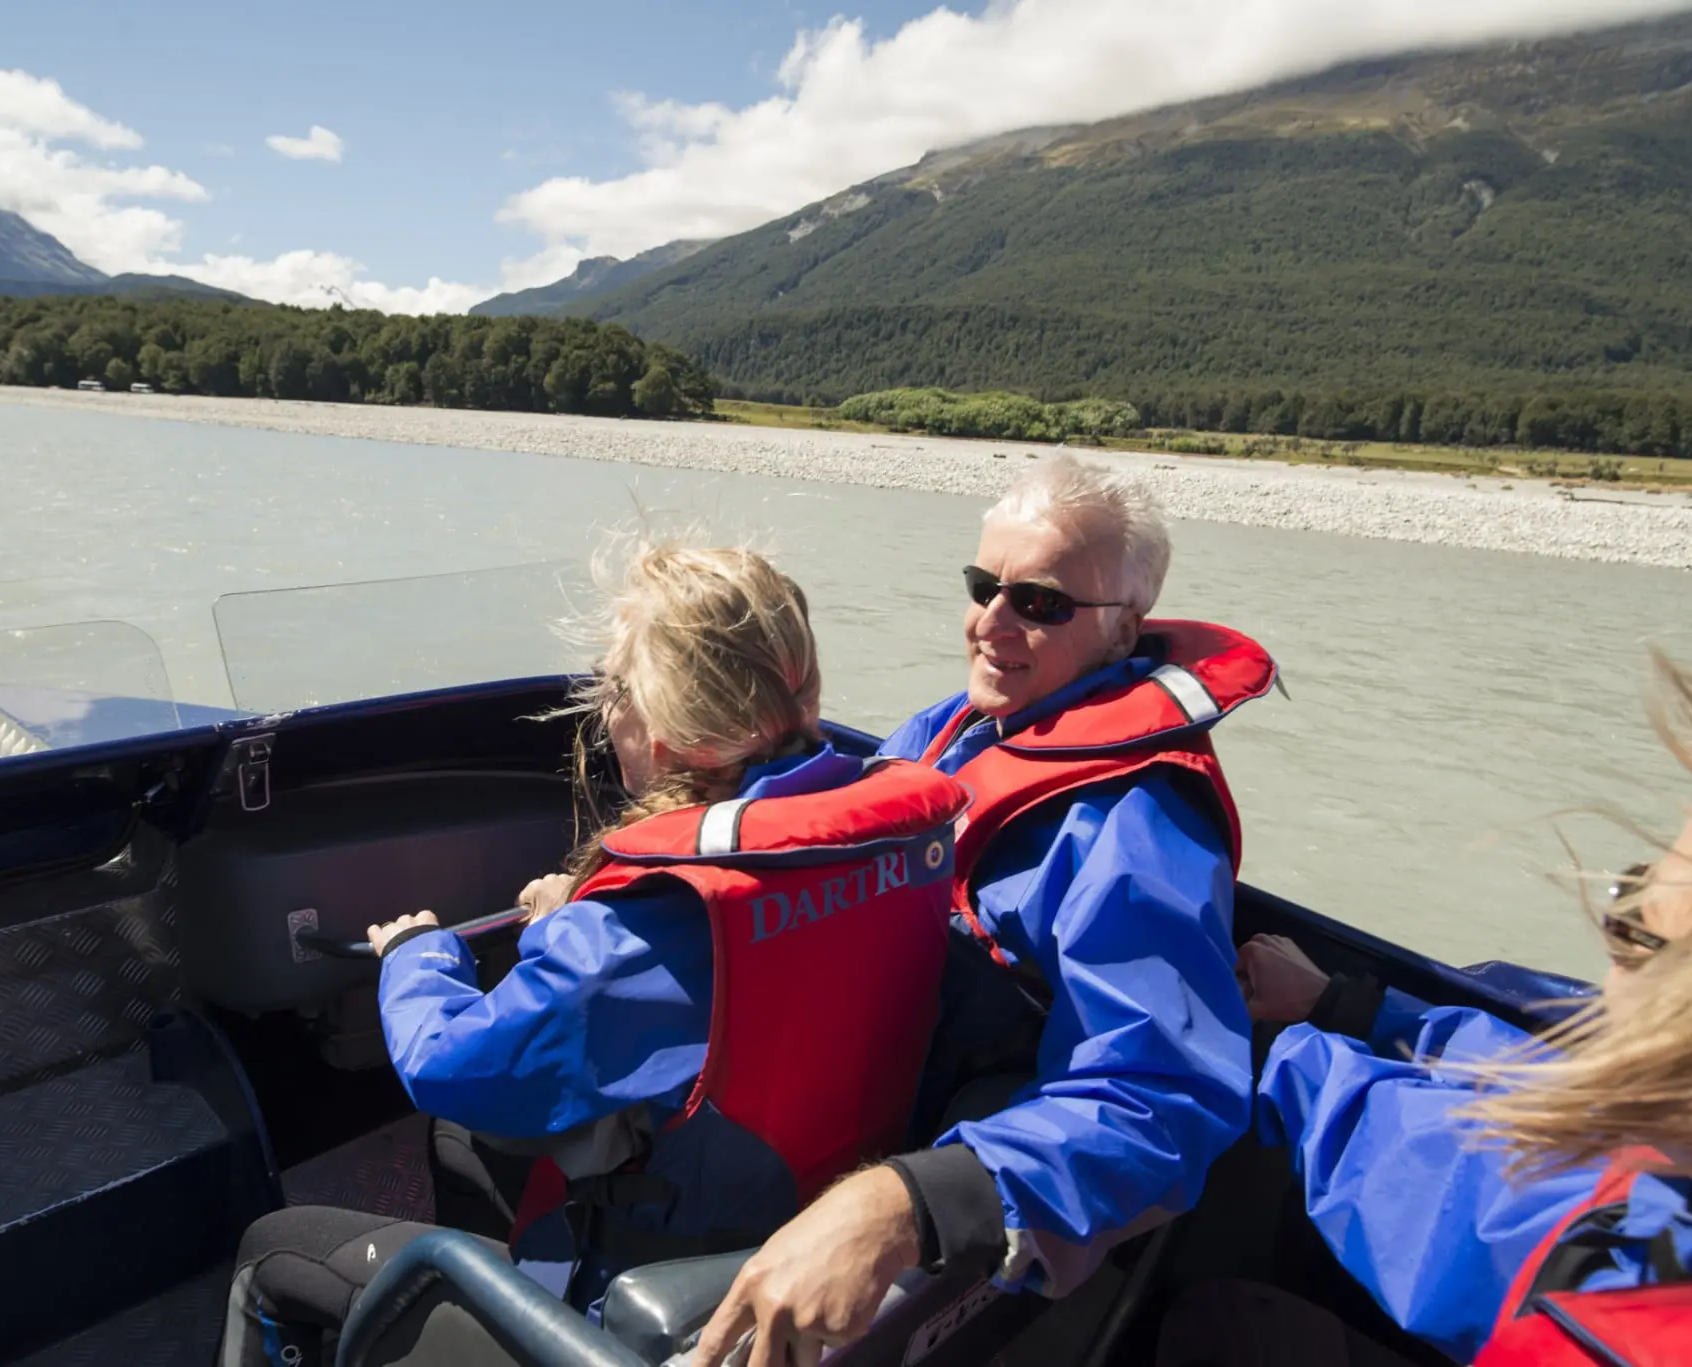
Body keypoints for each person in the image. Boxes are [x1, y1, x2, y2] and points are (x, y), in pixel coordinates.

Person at [217, 543, 969, 1367]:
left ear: (670, 725)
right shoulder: (894, 840)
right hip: (805, 1226)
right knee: (461, 1144)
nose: (609, 717)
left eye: (618, 689)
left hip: (661, 1309)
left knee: (273, 1250)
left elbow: (452, 1062)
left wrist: (416, 954)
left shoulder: (642, 925)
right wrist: (566, 925)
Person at [697, 456, 1278, 1367]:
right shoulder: (953, 728)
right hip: (845, 1095)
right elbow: (835, 829)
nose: (990, 622)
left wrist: (911, 1200)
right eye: (983, 585)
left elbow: (1168, 1094)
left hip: (930, 1180)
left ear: (1123, 628)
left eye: (1040, 603)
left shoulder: (1134, 828)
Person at [1161, 648, 1692, 1366]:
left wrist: (1279, 1053)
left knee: (1217, 1324)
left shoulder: (1627, 1310)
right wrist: (1347, 1007)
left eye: (1634, 916)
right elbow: (1561, 1088)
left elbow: (1467, 1203)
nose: (1609, 947)